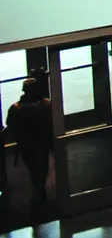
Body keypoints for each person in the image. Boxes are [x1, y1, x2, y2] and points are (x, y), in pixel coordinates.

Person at [7, 77, 53, 217]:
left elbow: (11, 126)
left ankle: (38, 195)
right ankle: (39, 196)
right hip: (41, 144)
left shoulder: (15, 108)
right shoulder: (46, 105)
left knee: (34, 170)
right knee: (41, 169)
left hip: (26, 146)